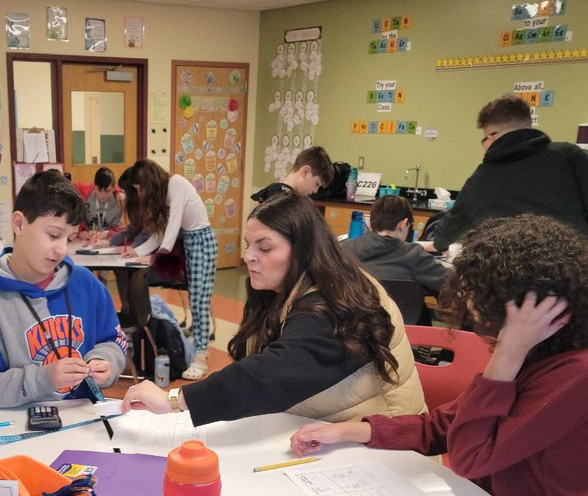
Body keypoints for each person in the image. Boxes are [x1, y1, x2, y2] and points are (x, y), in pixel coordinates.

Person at [290, 215, 588, 496]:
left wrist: (507, 356)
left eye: (486, 306)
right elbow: (445, 427)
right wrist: (352, 430)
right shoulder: (543, 354)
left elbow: (470, 457)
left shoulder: (583, 372)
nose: (474, 316)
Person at [122, 191, 425, 425]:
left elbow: (271, 375)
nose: (249, 257)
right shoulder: (292, 286)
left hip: (386, 442)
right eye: (248, 245)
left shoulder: (332, 304)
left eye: (264, 248)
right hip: (334, 427)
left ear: (304, 249)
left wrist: (175, 400)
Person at [0, 170, 129, 408]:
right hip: (19, 431)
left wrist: (106, 361)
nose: (62, 250)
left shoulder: (86, 284)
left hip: (85, 423)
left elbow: (113, 341)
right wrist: (44, 378)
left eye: (68, 238)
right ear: (19, 224)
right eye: (53, 235)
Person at [427, 95, 588, 252]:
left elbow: (450, 229)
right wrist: (576, 240)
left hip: (508, 278)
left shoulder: (482, 178)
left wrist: (434, 245)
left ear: (491, 138)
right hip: (570, 273)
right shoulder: (570, 156)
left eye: (483, 140)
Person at [122, 158, 216, 379]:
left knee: (199, 300)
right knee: (195, 298)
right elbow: (161, 233)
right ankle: (198, 345)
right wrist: (138, 252)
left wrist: (155, 258)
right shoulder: (164, 193)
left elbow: (173, 227)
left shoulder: (177, 184)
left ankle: (201, 354)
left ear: (149, 181)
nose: (140, 193)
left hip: (202, 239)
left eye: (140, 187)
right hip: (190, 241)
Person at [341, 194, 449, 293]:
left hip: (354, 313)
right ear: (403, 224)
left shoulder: (347, 248)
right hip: (403, 314)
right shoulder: (414, 254)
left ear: (369, 223)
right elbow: (450, 282)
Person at [251, 145, 333, 203]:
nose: (315, 191)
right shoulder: (287, 201)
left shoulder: (268, 191)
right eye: (317, 184)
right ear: (305, 171)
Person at [85, 165, 124, 232]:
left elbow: (119, 228)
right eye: (99, 190)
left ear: (113, 189)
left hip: (109, 239)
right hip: (87, 238)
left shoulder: (119, 201)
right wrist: (80, 232)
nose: (103, 195)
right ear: (94, 186)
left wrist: (108, 234)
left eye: (107, 191)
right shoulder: (86, 195)